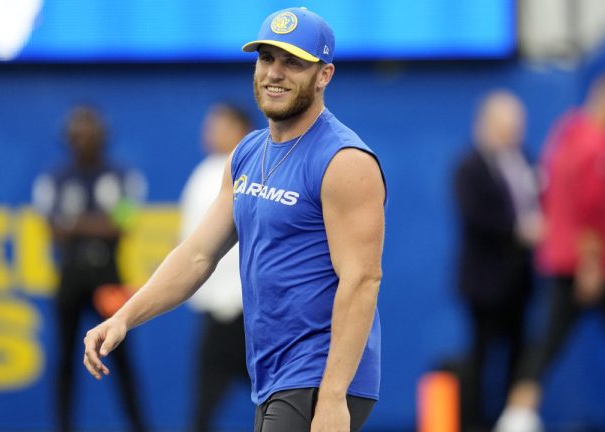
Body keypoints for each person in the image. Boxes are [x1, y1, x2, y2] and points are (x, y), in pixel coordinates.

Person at [83, 7, 386, 432]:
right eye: (266, 58)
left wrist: (334, 397)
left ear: (324, 75)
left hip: (318, 376)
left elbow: (362, 280)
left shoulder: (344, 161)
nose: (275, 73)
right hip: (272, 374)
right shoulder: (246, 153)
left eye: (293, 62)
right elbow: (196, 255)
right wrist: (123, 318)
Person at [495, 71, 605, 431]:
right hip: (592, 264)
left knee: (546, 344)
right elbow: (591, 208)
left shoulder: (565, 136)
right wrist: (591, 263)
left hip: (560, 258)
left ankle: (516, 417)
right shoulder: (598, 145)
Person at [32, 106, 148, 432]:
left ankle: (139, 425)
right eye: (77, 136)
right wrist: (98, 223)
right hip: (69, 277)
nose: (83, 142)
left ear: (103, 137)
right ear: (67, 139)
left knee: (121, 354)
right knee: (66, 356)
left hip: (108, 277)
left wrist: (76, 224)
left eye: (90, 135)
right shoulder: (55, 178)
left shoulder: (121, 177)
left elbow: (123, 226)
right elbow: (53, 230)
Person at [453, 91, 541, 431]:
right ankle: (475, 423)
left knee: (519, 356)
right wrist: (519, 230)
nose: (513, 132)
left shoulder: (526, 161)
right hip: (484, 281)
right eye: (507, 125)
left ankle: (511, 421)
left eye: (517, 125)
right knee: (481, 356)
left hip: (521, 279)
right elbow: (476, 216)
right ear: (487, 125)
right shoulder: (469, 166)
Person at [180, 103, 253, 432]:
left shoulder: (253, 170)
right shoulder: (205, 172)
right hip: (216, 307)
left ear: (240, 128)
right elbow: (192, 244)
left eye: (219, 124)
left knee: (280, 395)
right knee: (207, 398)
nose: (209, 131)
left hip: (249, 308)